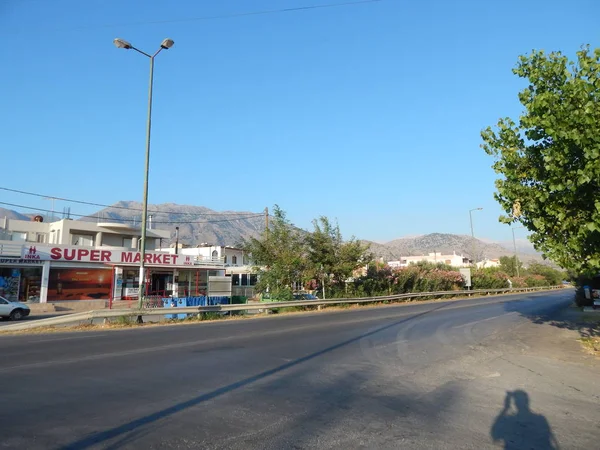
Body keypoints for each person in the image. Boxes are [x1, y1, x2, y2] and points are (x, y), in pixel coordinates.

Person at [491, 390, 559, 449]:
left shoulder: (509, 420)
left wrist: (506, 408)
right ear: (527, 401)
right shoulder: (540, 419)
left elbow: (495, 435)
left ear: (515, 403)